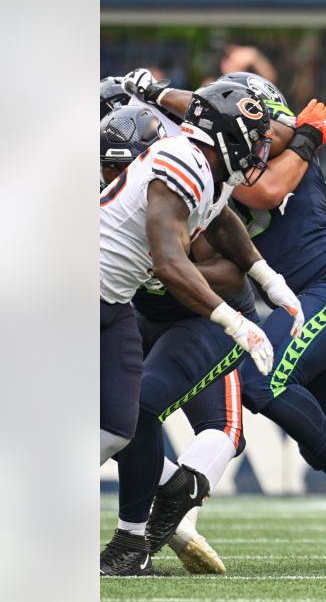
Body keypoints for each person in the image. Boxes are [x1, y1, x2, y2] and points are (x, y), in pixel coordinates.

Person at [127, 69, 326, 567]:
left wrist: (302, 136)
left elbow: (259, 184)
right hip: (300, 301)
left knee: (262, 383)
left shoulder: (275, 141)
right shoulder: (197, 158)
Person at [99, 81, 304, 576]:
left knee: (121, 423)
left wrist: (268, 279)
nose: (258, 151)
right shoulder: (183, 160)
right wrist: (236, 321)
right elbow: (169, 262)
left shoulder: (208, 166)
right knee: (100, 429)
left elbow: (219, 218)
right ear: (224, 133)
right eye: (252, 139)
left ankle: (132, 542)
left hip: (117, 303)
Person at [100, 102, 243, 574]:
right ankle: (170, 492)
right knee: (118, 418)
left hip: (194, 316)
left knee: (131, 416)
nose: (110, 175)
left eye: (118, 165)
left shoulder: (179, 180)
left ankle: (134, 538)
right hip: (126, 307)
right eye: (105, 166)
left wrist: (175, 275)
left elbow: (226, 267)